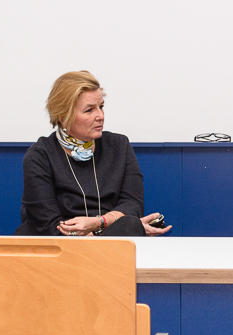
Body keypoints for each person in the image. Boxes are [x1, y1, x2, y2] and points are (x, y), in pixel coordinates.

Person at [16, 70, 171, 237]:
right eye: (89, 110)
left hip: (109, 238)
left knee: (130, 224)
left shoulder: (119, 145)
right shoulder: (40, 155)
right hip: (62, 242)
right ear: (63, 115)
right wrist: (94, 236)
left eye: (101, 107)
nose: (100, 116)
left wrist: (99, 224)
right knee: (130, 226)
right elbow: (48, 224)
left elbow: (133, 205)